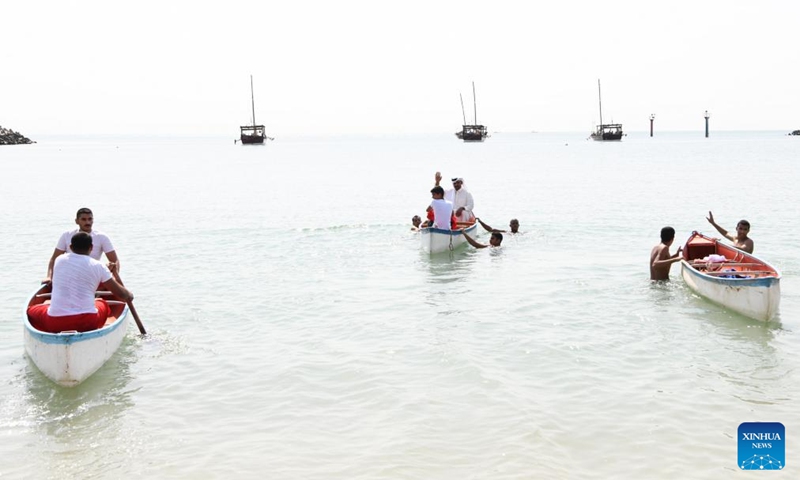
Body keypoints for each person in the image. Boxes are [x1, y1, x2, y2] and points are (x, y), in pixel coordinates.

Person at [27, 232, 133, 333]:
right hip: (88, 322)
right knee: (102, 303)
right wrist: (128, 293)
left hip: (55, 323)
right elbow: (122, 295)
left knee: (31, 310)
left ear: (71, 247)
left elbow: (77, 274)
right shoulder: (99, 266)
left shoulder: (59, 260)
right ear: (91, 247)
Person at [46, 208, 119, 284]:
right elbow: (54, 259)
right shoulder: (67, 235)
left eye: (90, 219)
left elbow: (114, 260)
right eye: (83, 219)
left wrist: (114, 277)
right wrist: (49, 277)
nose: (87, 222)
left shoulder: (102, 237)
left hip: (92, 276)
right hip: (70, 276)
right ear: (77, 221)